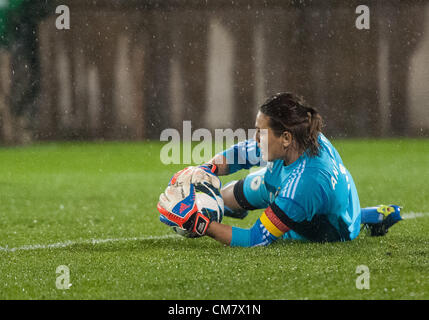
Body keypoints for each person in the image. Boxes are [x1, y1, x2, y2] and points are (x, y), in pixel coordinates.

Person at [157, 92, 403, 247]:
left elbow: (255, 240)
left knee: (276, 228)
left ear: (285, 138)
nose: (254, 138)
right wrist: (207, 169)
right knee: (222, 199)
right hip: (298, 187)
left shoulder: (304, 184)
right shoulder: (293, 139)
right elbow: (242, 153)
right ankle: (367, 214)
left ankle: (363, 218)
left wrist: (201, 224)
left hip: (325, 227)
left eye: (259, 132)